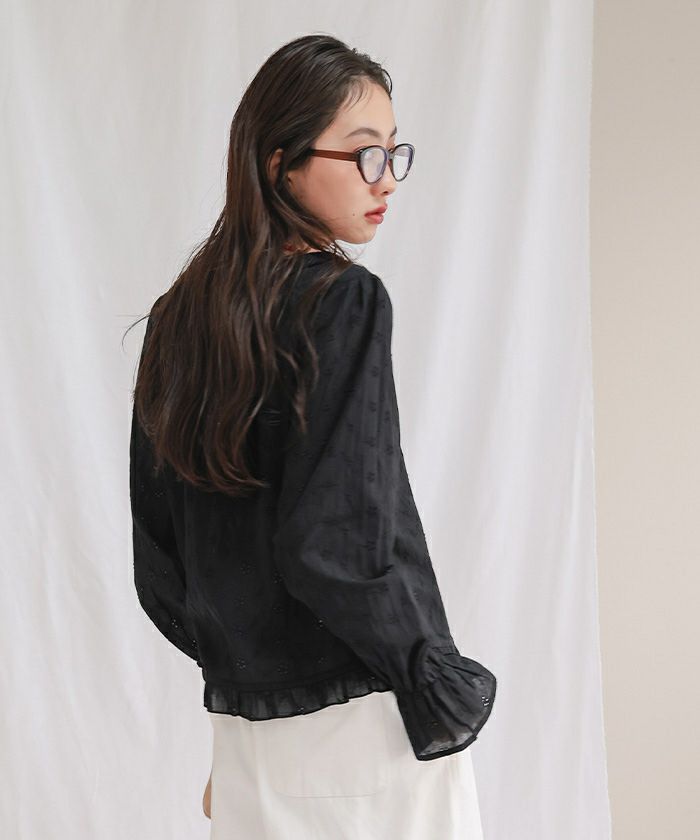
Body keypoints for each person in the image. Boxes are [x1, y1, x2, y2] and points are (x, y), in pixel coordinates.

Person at [128, 33, 496, 839]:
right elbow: (336, 541)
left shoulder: (177, 321)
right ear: (280, 163)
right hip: (368, 725)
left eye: (394, 153)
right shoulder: (343, 302)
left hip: (246, 739)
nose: (386, 179)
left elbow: (159, 560)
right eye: (364, 154)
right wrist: (430, 674)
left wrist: (246, 671)